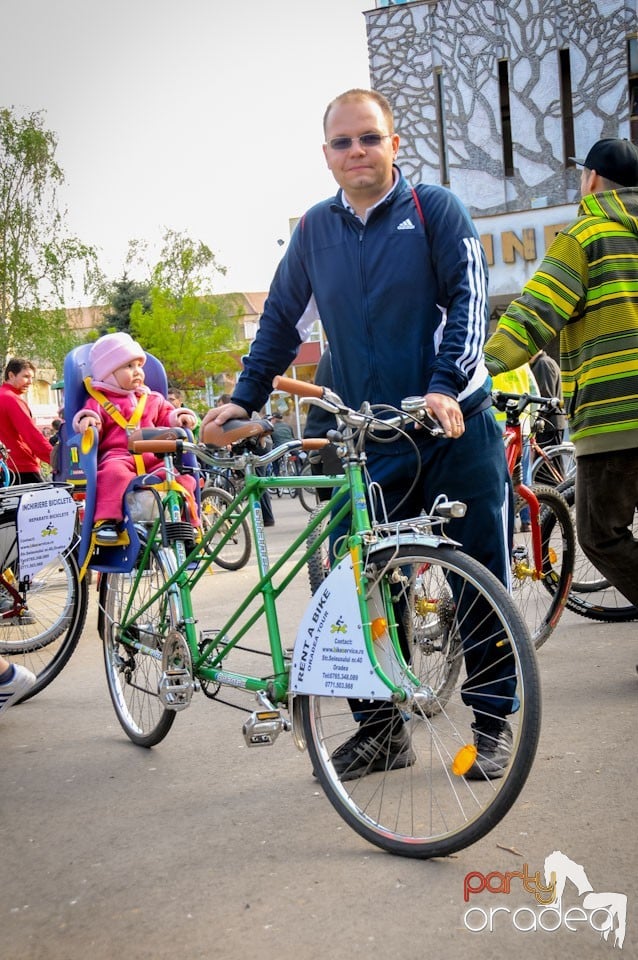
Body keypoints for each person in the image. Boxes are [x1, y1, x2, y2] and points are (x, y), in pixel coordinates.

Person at [202, 88, 514, 781]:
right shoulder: (315, 232)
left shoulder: (435, 211)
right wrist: (242, 399)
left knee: (479, 577)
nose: (356, 152)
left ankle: (491, 724)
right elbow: (281, 322)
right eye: (342, 143)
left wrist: (442, 383)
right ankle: (381, 731)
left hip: (451, 425)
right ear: (326, 155)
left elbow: (470, 298)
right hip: (372, 438)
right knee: (347, 578)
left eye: (369, 138)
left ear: (393, 144)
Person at [485, 137, 638, 615]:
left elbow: (534, 313)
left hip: (617, 418)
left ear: (591, 180)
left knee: (600, 534)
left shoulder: (585, 236)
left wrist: (473, 369)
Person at [72, 332, 199, 544]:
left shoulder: (153, 398)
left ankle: (188, 523)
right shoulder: (99, 400)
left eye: (139, 365)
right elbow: (91, 417)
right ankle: (107, 521)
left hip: (154, 454)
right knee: (112, 475)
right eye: (128, 367)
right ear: (109, 373)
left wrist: (181, 417)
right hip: (119, 455)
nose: (137, 372)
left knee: (179, 478)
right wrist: (88, 420)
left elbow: (167, 416)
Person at [0, 358, 52, 484]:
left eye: (32, 377)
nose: (30, 382)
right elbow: (31, 435)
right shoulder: (12, 399)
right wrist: (57, 458)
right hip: (21, 467)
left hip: (6, 468)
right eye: (26, 376)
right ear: (11, 375)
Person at [529, 350, 567, 447]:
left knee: (548, 460)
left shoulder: (542, 364)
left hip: (548, 426)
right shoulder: (545, 362)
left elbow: (546, 398)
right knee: (548, 460)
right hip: (551, 424)